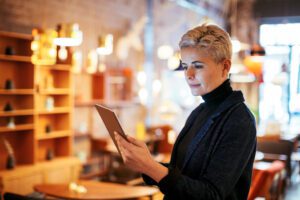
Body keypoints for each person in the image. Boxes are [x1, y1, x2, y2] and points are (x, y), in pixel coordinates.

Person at [115, 23, 257, 200]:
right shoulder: (200, 110)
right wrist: (146, 162)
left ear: (225, 67)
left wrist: (150, 167)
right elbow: (183, 171)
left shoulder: (239, 120)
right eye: (185, 65)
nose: (188, 74)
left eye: (198, 66)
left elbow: (211, 195)